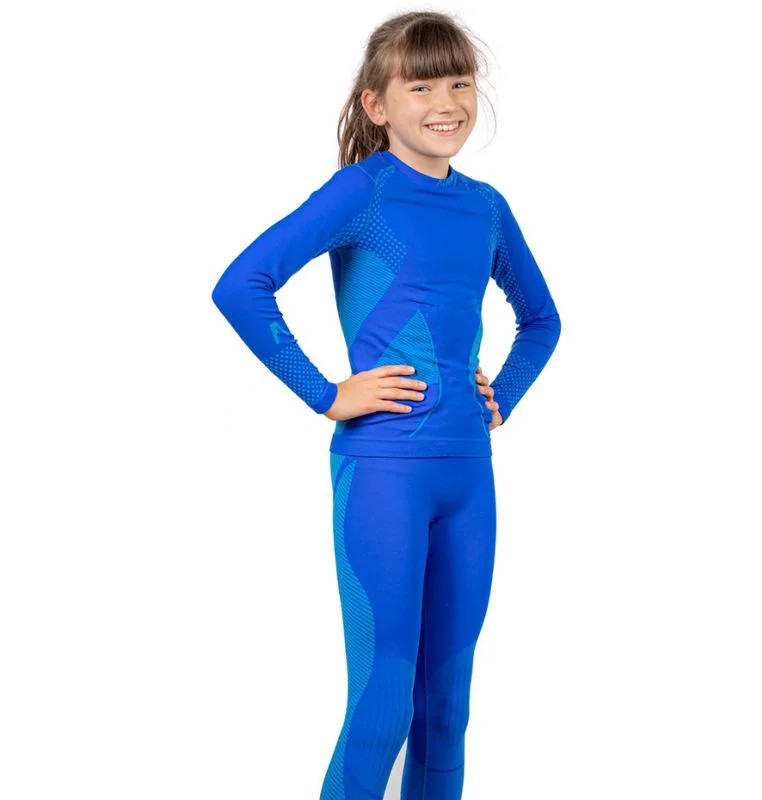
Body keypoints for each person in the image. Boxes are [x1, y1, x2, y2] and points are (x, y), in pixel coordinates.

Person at [211, 10, 561, 799]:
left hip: (468, 475)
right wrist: (327, 393)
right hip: (383, 474)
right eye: (422, 86)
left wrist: (500, 396)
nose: (446, 103)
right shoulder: (361, 193)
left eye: (460, 83)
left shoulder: (486, 207)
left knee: (446, 712)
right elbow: (241, 285)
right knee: (382, 709)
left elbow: (543, 320)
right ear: (377, 104)